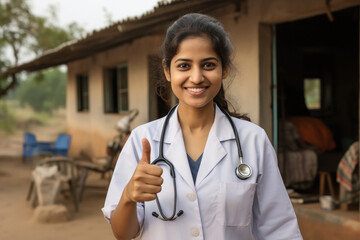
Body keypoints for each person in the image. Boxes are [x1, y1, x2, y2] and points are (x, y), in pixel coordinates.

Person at [102, 13, 303, 240]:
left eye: (208, 65)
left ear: (224, 69)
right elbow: (122, 233)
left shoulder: (253, 140)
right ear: (168, 71)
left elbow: (280, 230)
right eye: (184, 66)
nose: (196, 77)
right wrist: (129, 196)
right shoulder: (143, 140)